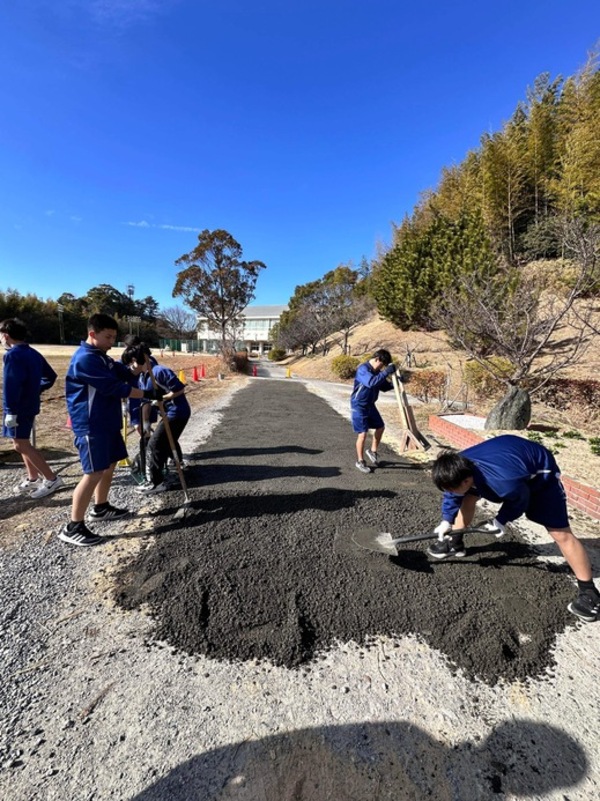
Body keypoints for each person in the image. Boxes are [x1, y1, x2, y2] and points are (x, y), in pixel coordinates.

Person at [428, 434, 600, 623]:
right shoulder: (456, 466)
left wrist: (500, 521)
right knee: (467, 498)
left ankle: (589, 593)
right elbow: (453, 493)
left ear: (467, 480)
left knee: (560, 533)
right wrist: (446, 520)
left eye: (453, 488)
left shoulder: (504, 482)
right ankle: (455, 542)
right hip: (509, 460)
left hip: (541, 471)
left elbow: (520, 501)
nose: (450, 492)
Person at [60, 314, 163, 547]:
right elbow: (114, 387)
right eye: (108, 337)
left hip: (107, 422)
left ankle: (101, 506)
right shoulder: (85, 359)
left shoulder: (102, 357)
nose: (111, 342)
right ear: (92, 334)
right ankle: (73, 526)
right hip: (91, 424)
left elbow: (126, 374)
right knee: (94, 471)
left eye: (114, 337)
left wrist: (139, 364)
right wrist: (147, 394)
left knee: (110, 465)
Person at [0, 318, 63, 499]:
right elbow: (50, 376)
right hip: (29, 405)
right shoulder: (33, 353)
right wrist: (35, 389)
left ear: (6, 336)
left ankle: (51, 478)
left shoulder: (12, 355)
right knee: (22, 442)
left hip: (17, 408)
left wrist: (10, 410)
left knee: (20, 444)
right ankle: (33, 477)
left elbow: (11, 385)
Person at [121, 343, 191, 494]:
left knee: (155, 445)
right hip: (167, 414)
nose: (129, 368)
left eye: (129, 364)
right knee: (156, 443)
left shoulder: (159, 371)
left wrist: (161, 398)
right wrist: (145, 425)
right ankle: (161, 475)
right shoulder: (142, 377)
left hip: (178, 412)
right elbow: (145, 403)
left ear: (135, 360)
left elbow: (179, 389)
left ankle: (155, 482)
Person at [350, 348, 395, 473]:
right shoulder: (363, 369)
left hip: (370, 405)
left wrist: (395, 382)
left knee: (380, 427)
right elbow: (371, 383)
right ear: (376, 359)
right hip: (359, 405)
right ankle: (360, 461)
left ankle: (372, 451)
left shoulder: (377, 371)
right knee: (363, 433)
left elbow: (384, 387)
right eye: (381, 365)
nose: (381, 368)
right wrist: (386, 372)